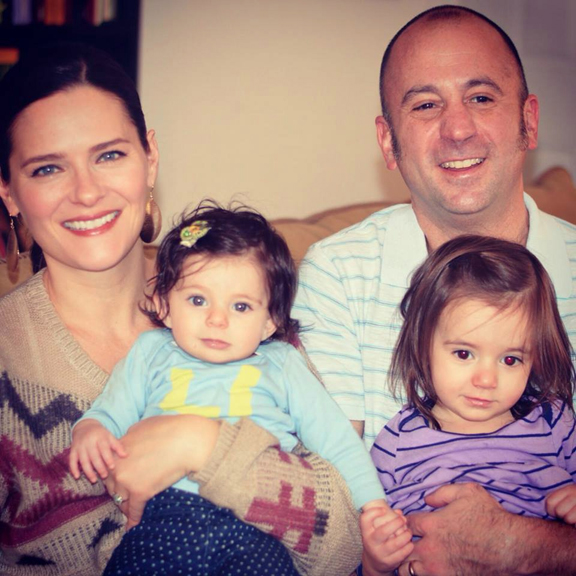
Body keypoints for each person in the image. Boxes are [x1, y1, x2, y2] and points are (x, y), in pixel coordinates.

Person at [0, 43, 362, 576]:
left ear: (150, 158)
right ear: (9, 192)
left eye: (109, 155)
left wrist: (204, 445)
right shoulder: (9, 352)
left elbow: (348, 542)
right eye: (48, 168)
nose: (86, 192)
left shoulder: (239, 299)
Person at [293, 5, 576, 576]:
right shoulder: (336, 274)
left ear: (529, 121)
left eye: (481, 97)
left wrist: (526, 546)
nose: (457, 129)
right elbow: (330, 516)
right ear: (388, 141)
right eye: (425, 105)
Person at [68, 203, 390, 574]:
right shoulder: (150, 351)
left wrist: (373, 505)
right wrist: (89, 428)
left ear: (270, 321)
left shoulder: (283, 363)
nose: (217, 319)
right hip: (164, 517)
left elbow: (336, 439)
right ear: (165, 305)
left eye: (240, 306)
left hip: (258, 523)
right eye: (198, 300)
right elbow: (112, 409)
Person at [359, 235, 576, 576]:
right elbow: (368, 543)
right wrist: (374, 562)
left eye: (510, 359)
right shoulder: (396, 441)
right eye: (464, 353)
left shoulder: (554, 423)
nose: (486, 379)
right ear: (423, 345)